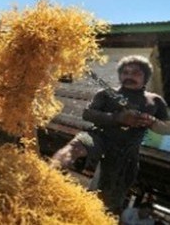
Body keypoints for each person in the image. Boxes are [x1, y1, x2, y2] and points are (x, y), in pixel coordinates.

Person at [51, 55, 170, 214]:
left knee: (111, 196)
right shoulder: (106, 93)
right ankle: (47, 176)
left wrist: (152, 122)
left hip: (127, 150)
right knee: (74, 148)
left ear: (145, 77)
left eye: (135, 73)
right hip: (99, 136)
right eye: (125, 72)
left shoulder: (155, 101)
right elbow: (87, 114)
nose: (129, 76)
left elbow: (166, 128)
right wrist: (117, 118)